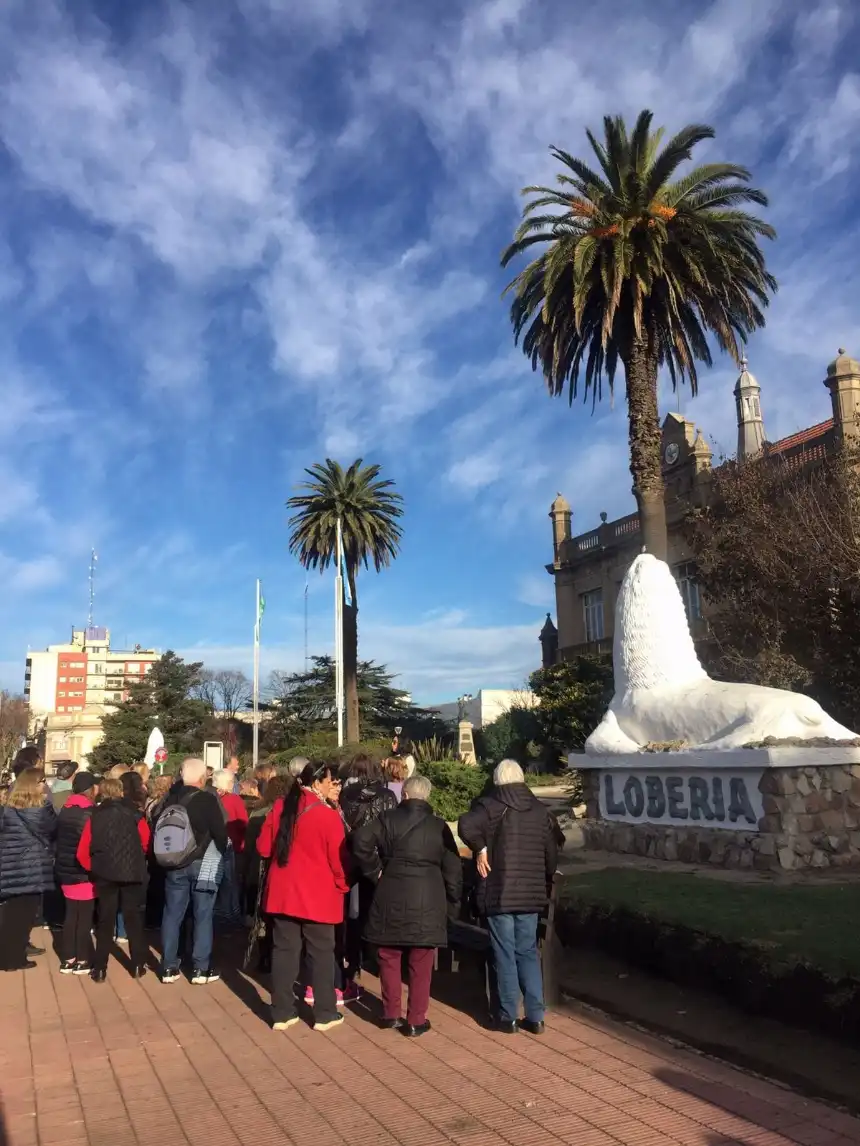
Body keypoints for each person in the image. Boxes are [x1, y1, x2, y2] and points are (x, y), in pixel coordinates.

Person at [352, 774, 462, 1037]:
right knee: (421, 960)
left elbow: (360, 841)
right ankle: (415, 1019)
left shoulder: (387, 820)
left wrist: (374, 871)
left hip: (390, 892)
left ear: (404, 794)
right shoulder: (439, 826)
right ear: (427, 796)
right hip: (428, 897)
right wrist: (452, 900)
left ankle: (391, 1014)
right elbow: (453, 868)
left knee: (389, 956)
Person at [458, 759, 559, 1035]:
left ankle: (507, 1016)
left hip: (499, 893)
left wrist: (480, 848)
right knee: (526, 951)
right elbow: (552, 852)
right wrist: (546, 876)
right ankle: (536, 1015)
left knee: (504, 952)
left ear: (498, 780)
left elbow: (465, 825)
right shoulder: (540, 810)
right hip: (530, 894)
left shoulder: (490, 806)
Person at [256, 761, 348, 1032]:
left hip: (283, 892)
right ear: (318, 782)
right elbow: (338, 861)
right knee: (321, 954)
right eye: (330, 780)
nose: (333, 785)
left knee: (284, 952)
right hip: (318, 895)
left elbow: (263, 847)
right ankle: (324, 1012)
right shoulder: (327, 816)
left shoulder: (281, 807)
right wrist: (343, 885)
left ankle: (282, 1011)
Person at [156, 757, 228, 985]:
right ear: (201, 777)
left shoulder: (170, 799)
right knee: (203, 914)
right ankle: (200, 968)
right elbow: (220, 833)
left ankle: (168, 966)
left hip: (173, 863)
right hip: (202, 862)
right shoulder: (207, 799)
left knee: (172, 914)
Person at [77, 776, 150, 982]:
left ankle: (100, 967)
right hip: (131, 871)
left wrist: (95, 867)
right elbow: (145, 841)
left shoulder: (95, 816)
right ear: (121, 791)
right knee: (133, 918)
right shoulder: (137, 814)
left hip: (104, 872)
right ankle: (137, 964)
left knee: (104, 920)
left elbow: (83, 850)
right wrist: (137, 857)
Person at [338, 755, 398, 991]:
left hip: (351, 860)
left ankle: (352, 960)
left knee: (351, 914)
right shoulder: (387, 796)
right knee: (374, 911)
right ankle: (374, 957)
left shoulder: (345, 796)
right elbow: (390, 831)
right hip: (378, 861)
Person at [0, 766, 56, 971]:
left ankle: (7, 956)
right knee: (24, 918)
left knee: (11, 915)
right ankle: (14, 960)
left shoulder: (7, 809)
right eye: (42, 782)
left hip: (10, 867)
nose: (45, 785)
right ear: (34, 785)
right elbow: (52, 830)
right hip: (32, 868)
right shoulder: (42, 810)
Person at [55, 773, 99, 974]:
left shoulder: (65, 809)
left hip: (65, 868)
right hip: (84, 870)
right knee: (84, 916)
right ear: (91, 789)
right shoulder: (90, 812)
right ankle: (82, 958)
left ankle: (67, 958)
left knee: (71, 914)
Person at [212, 768, 249, 924]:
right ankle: (229, 914)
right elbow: (244, 823)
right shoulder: (234, 800)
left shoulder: (211, 797)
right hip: (233, 845)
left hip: (213, 845)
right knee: (231, 882)